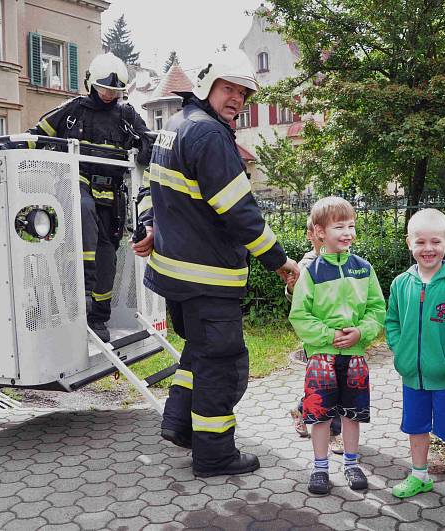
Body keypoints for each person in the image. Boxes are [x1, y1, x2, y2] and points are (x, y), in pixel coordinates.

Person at [131, 50, 300, 477]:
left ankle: (179, 426)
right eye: (230, 89)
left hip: (176, 276)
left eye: (243, 93)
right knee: (222, 364)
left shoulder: (174, 127)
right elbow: (238, 212)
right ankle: (215, 454)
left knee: (200, 354)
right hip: (208, 279)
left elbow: (151, 192)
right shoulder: (209, 135)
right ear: (208, 86)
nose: (237, 100)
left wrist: (149, 226)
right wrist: (280, 262)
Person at [30, 52, 152, 343]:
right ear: (91, 84)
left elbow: (148, 138)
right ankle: (83, 284)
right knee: (83, 210)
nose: (109, 95)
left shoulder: (126, 115)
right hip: (77, 182)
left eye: (115, 91)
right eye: (105, 89)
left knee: (108, 253)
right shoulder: (72, 111)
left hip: (111, 192)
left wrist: (144, 149)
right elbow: (37, 134)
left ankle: (98, 317)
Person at [288, 196, 386, 495]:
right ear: (320, 232)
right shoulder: (312, 273)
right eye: (339, 226)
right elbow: (300, 315)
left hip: (355, 357)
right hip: (321, 358)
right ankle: (320, 467)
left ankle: (352, 463)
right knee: (319, 415)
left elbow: (377, 309)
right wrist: (328, 337)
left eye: (351, 226)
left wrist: (362, 332)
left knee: (352, 414)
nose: (348, 232)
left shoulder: (363, 269)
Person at [385, 208, 445, 513]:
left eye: (435, 241)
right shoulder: (400, 284)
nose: (428, 248)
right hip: (412, 375)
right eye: (420, 242)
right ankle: (419, 475)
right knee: (416, 427)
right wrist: (401, 349)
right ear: (409, 243)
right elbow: (392, 321)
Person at [286, 216, 343, 453]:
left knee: (337, 382)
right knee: (324, 385)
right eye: (317, 233)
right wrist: (291, 287)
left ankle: (303, 409)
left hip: (342, 333)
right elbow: (294, 299)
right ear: (311, 235)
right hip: (318, 336)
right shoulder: (307, 264)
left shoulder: (345, 261)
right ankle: (331, 431)